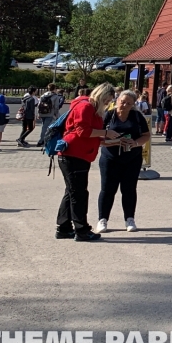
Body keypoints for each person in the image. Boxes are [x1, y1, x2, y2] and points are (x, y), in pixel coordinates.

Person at [56, 83, 121, 241]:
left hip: (76, 153)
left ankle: (64, 227)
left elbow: (86, 133)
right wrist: (106, 133)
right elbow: (82, 131)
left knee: (72, 192)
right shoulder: (86, 107)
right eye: (107, 101)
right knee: (79, 193)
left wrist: (107, 139)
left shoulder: (89, 107)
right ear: (101, 96)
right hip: (74, 155)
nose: (107, 104)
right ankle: (82, 229)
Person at [95, 89, 150, 234]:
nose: (124, 105)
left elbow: (146, 135)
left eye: (128, 103)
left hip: (132, 158)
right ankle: (102, 220)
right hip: (110, 158)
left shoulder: (137, 116)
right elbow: (97, 137)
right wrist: (114, 141)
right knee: (107, 189)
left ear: (133, 105)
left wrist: (135, 143)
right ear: (117, 100)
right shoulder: (108, 115)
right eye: (122, 101)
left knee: (129, 190)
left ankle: (129, 219)